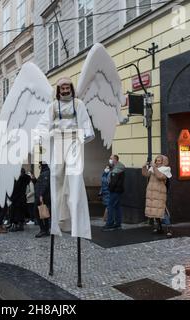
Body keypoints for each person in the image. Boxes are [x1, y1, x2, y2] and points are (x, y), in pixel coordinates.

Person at [35, 76, 95, 239]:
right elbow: (42, 126)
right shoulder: (53, 107)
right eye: (62, 88)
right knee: (56, 176)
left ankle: (77, 221)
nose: (65, 90)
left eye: (68, 87)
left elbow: (85, 123)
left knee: (74, 177)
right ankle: (59, 219)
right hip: (59, 142)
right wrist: (45, 135)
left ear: (71, 88)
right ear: (58, 90)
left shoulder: (78, 104)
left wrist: (81, 137)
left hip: (74, 141)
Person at [142, 155, 172, 234]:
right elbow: (146, 174)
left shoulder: (166, 169)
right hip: (152, 192)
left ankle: (169, 228)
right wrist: (144, 166)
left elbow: (160, 176)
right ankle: (159, 227)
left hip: (160, 193)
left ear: (163, 162)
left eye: (159, 161)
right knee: (155, 211)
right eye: (156, 161)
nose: (157, 162)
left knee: (163, 211)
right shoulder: (153, 168)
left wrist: (154, 167)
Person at [102, 155, 125, 231]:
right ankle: (118, 224)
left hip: (115, 190)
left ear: (115, 159)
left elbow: (113, 182)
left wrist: (110, 189)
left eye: (111, 158)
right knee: (117, 207)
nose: (110, 160)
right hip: (117, 190)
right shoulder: (115, 167)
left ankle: (110, 223)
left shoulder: (117, 169)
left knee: (110, 206)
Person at [9, 168, 31, 232]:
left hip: (17, 199)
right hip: (22, 198)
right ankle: (20, 226)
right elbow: (28, 177)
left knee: (16, 212)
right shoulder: (25, 178)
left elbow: (14, 189)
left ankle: (16, 226)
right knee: (20, 212)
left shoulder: (20, 179)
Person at [35, 163, 51, 238]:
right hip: (43, 196)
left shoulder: (45, 173)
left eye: (40, 165)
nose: (39, 167)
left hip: (42, 197)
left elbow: (44, 185)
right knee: (44, 214)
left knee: (39, 213)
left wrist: (41, 195)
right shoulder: (45, 172)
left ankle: (43, 230)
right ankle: (46, 230)